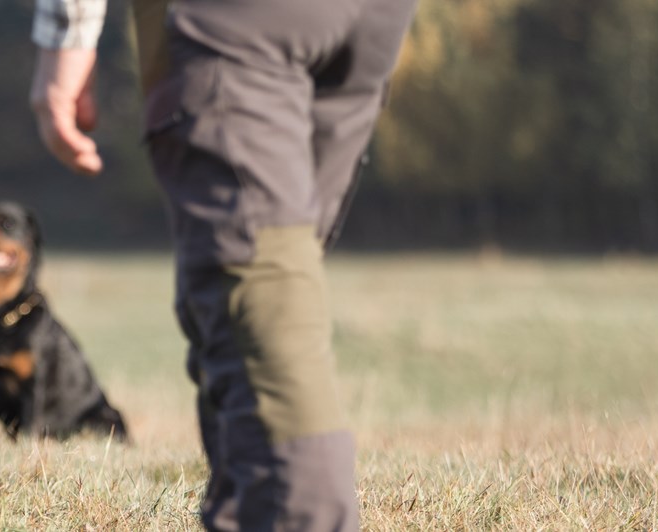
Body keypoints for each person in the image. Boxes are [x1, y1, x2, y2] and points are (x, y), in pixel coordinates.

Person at [29, 0, 415, 529]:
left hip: (242, 20)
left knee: (259, 300)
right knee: (259, 302)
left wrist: (68, 35)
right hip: (373, 18)